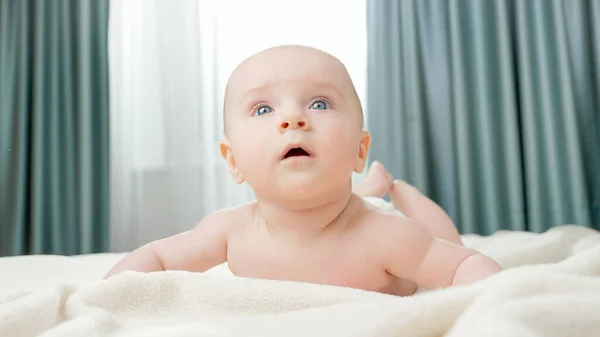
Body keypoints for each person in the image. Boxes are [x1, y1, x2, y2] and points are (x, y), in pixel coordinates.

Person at [104, 45, 502, 295]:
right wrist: (107, 298)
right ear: (233, 161)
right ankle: (371, 186)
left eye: (320, 104)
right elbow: (155, 257)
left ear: (358, 149)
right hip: (348, 208)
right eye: (263, 109)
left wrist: (486, 287)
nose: (292, 118)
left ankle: (395, 187)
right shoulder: (229, 231)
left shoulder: (389, 236)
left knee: (448, 239)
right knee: (354, 200)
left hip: (369, 217)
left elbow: (463, 265)